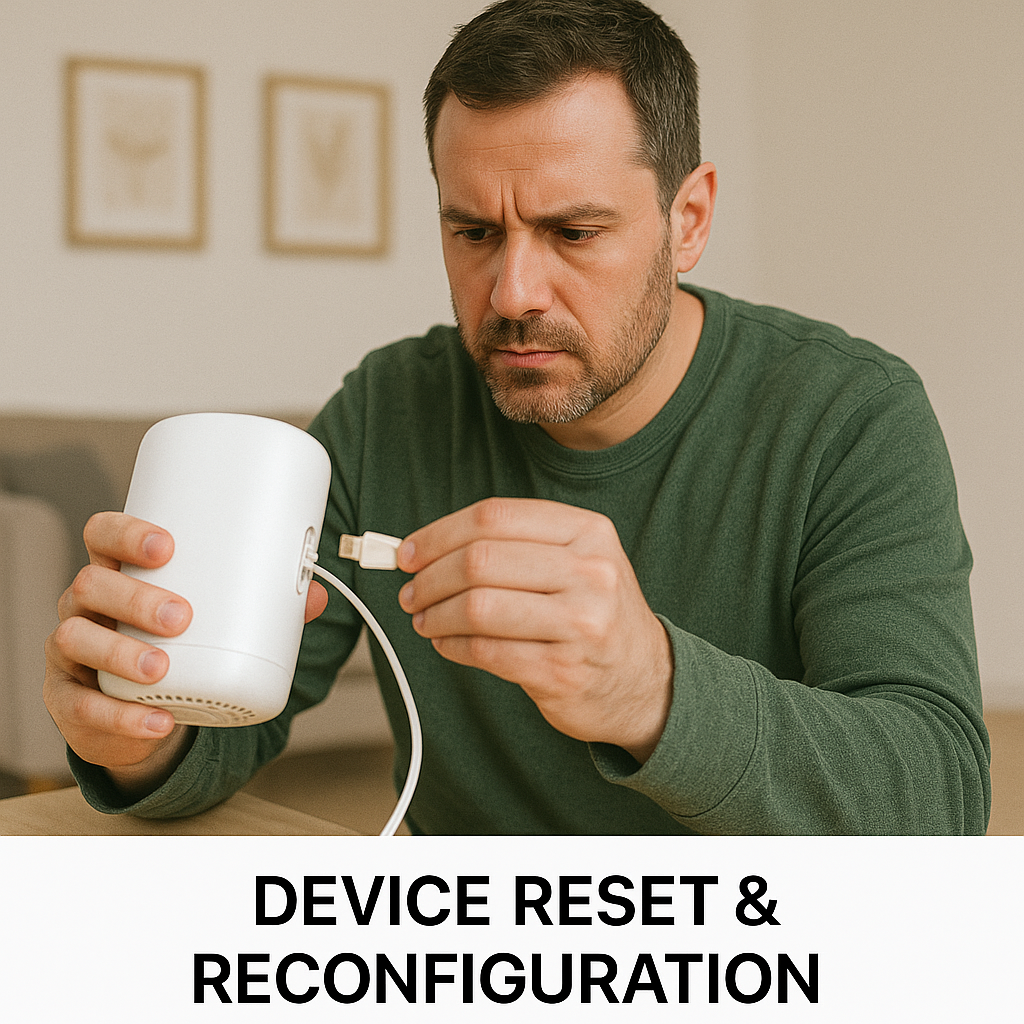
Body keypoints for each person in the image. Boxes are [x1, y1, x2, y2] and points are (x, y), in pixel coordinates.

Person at [44, 0, 990, 834]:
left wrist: (653, 690)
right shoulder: (388, 407)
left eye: (574, 233)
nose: (513, 292)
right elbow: (225, 738)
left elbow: (940, 802)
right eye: (474, 232)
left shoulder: (852, 417)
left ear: (689, 218)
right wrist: (134, 730)